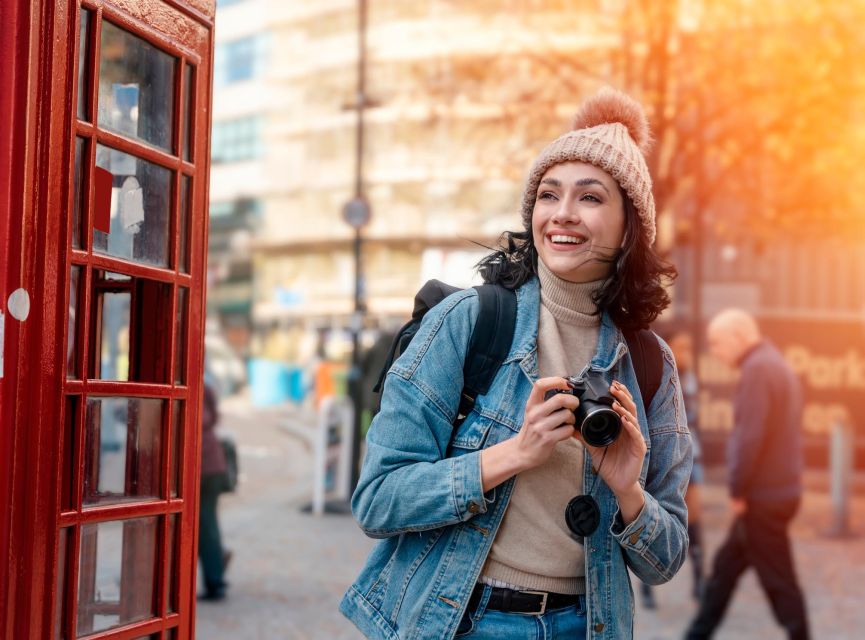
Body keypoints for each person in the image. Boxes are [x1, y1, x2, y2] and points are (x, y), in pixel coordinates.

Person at [340, 88, 692, 640]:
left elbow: (664, 562)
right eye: (549, 195)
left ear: (630, 225)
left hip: (589, 625)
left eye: (591, 197)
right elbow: (378, 500)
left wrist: (629, 492)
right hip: (464, 620)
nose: (563, 214)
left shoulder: (649, 363)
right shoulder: (468, 322)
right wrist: (514, 454)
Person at [685, 309, 809, 639]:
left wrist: (737, 491)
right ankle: (697, 633)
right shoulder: (774, 362)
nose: (714, 351)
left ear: (739, 336)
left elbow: (748, 438)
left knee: (779, 581)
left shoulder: (757, 369)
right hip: (775, 493)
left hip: (762, 499)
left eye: (717, 342)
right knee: (725, 572)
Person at [641, 329, 705, 609]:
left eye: (690, 346)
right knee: (651, 515)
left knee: (695, 520)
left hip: (693, 457)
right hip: (662, 456)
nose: (686, 351)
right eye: (682, 346)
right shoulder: (659, 372)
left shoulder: (692, 379)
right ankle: (646, 585)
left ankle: (700, 581)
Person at [198, 380, 230, 601]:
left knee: (206, 526)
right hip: (212, 465)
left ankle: (215, 580)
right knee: (208, 525)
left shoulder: (200, 388)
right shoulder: (205, 386)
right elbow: (215, 417)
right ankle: (216, 571)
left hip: (205, 469)